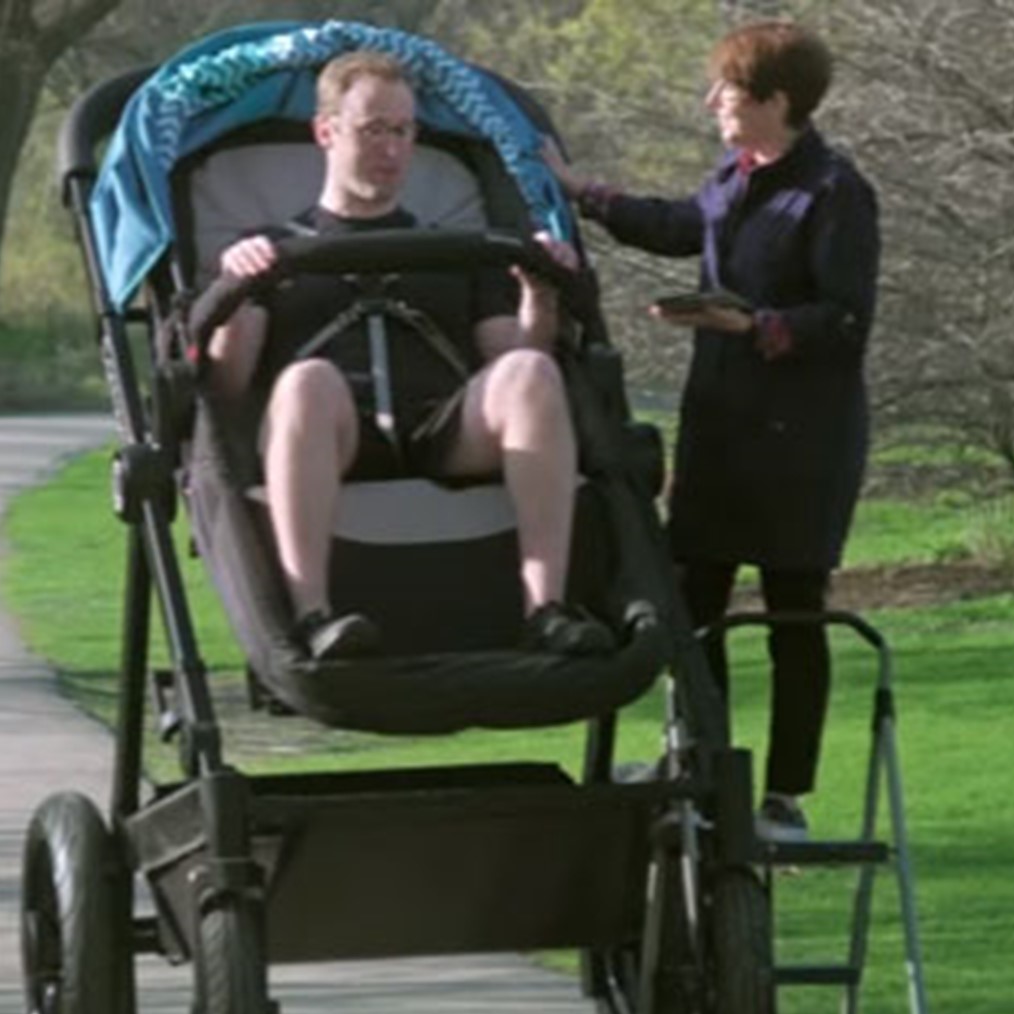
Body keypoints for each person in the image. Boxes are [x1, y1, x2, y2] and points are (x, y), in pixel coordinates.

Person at [545, 21, 880, 841]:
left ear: (776, 101)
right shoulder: (731, 181)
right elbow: (672, 225)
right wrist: (580, 193)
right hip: (720, 433)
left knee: (794, 617)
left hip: (802, 444)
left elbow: (843, 320)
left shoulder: (836, 192)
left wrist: (753, 326)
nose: (712, 104)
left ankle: (785, 800)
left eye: (727, 92)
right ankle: (701, 769)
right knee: (693, 606)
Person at [205, 50, 613, 662]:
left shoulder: (456, 250)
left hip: (439, 425)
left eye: (403, 131)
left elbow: (518, 361)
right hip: (328, 430)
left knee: (533, 371)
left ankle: (547, 609)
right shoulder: (269, 251)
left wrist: (541, 301)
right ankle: (311, 616)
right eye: (373, 129)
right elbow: (229, 387)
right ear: (326, 132)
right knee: (308, 380)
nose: (391, 149)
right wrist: (231, 296)